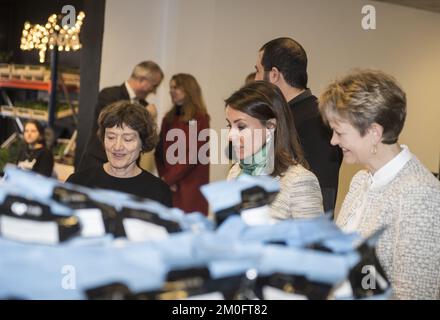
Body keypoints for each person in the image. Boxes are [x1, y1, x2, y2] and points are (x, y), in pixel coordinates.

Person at [319, 69, 440, 299]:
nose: (333, 141)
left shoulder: (420, 194)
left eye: (339, 132)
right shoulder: (361, 180)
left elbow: (415, 294)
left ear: (374, 132)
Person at [255, 37, 342, 214]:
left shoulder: (316, 121)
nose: (255, 79)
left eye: (257, 71)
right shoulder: (282, 116)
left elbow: (322, 193)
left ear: (273, 74)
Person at [225, 81, 323, 220]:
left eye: (241, 127)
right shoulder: (235, 172)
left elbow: (313, 240)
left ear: (270, 126)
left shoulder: (299, 181)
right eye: (229, 125)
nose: (230, 136)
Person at [67, 101, 172, 206]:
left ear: (143, 143)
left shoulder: (159, 193)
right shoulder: (78, 183)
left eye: (128, 139)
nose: (117, 147)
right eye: (111, 137)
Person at [78, 61, 164, 172]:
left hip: (127, 170)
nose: (154, 91)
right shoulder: (109, 94)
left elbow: (146, 141)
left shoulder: (144, 105)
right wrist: (146, 114)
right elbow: (113, 125)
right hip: (98, 164)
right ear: (142, 80)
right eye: (154, 86)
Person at [155, 73, 210, 215]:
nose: (171, 91)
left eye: (176, 87)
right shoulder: (168, 118)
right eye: (170, 87)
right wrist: (164, 178)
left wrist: (169, 178)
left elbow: (194, 155)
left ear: (188, 89)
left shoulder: (200, 118)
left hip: (190, 186)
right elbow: (159, 152)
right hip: (170, 185)